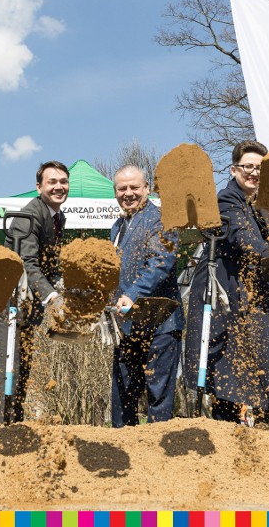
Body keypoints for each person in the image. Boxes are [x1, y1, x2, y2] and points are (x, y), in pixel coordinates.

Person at [184, 140, 269, 424]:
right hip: (226, 294)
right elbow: (241, 234)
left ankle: (250, 432)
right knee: (227, 368)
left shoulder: (264, 206)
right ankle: (225, 431)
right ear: (235, 169)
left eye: (260, 168)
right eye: (248, 167)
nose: (254, 173)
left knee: (255, 367)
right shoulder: (227, 199)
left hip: (252, 297)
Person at [0, 161, 68, 423]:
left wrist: (66, 288)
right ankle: (1, 429)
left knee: (22, 372)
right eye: (52, 182)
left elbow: (50, 264)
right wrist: (53, 297)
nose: (58, 187)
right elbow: (27, 263)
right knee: (8, 370)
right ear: (39, 187)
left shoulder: (58, 217)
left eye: (63, 182)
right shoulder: (29, 216)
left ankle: (16, 426)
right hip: (5, 304)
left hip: (28, 307)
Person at [110, 166, 184, 427]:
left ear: (147, 189)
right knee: (122, 395)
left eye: (134, 188)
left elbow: (160, 262)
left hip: (161, 323)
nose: (128, 194)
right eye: (122, 189)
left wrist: (132, 295)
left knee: (158, 396)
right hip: (128, 325)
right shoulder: (117, 227)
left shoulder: (162, 218)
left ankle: (159, 456)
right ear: (115, 192)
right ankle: (122, 449)